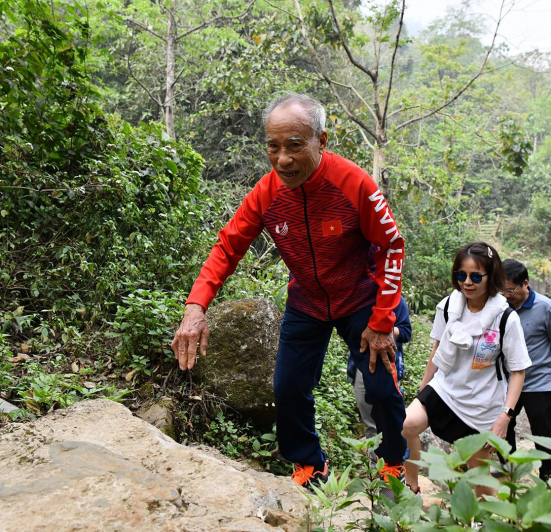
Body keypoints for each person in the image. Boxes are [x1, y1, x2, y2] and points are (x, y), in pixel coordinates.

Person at [170, 93, 408, 489]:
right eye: (273, 146)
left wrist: (382, 320)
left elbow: (391, 246)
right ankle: (309, 465)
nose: (283, 159)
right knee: (288, 387)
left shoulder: (354, 184)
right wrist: (195, 307)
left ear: (322, 141)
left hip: (361, 298)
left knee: (382, 388)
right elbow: (228, 247)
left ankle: (394, 463)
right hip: (308, 301)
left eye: (295, 146)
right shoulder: (267, 193)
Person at [402, 243, 531, 498]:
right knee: (407, 424)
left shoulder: (505, 318)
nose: (467, 283)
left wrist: (505, 416)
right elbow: (437, 350)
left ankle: (484, 522)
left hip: (483, 403)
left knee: (480, 479)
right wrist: (423, 389)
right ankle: (411, 488)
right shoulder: (449, 306)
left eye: (475, 276)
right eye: (461, 275)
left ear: (491, 276)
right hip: (446, 388)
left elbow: (518, 372)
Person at [501, 259, 551, 480]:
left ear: (525, 283)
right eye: (501, 289)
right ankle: (509, 470)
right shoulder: (500, 306)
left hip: (538, 382)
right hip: (508, 382)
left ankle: (550, 474)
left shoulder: (546, 307)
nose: (506, 294)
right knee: (504, 426)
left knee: (543, 432)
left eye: (510, 289)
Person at [348, 296, 412, 441]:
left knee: (390, 420)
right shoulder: (357, 296)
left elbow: (405, 331)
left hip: (388, 367)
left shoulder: (395, 299)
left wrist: (383, 329)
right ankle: (374, 461)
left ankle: (393, 460)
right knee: (370, 422)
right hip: (360, 367)